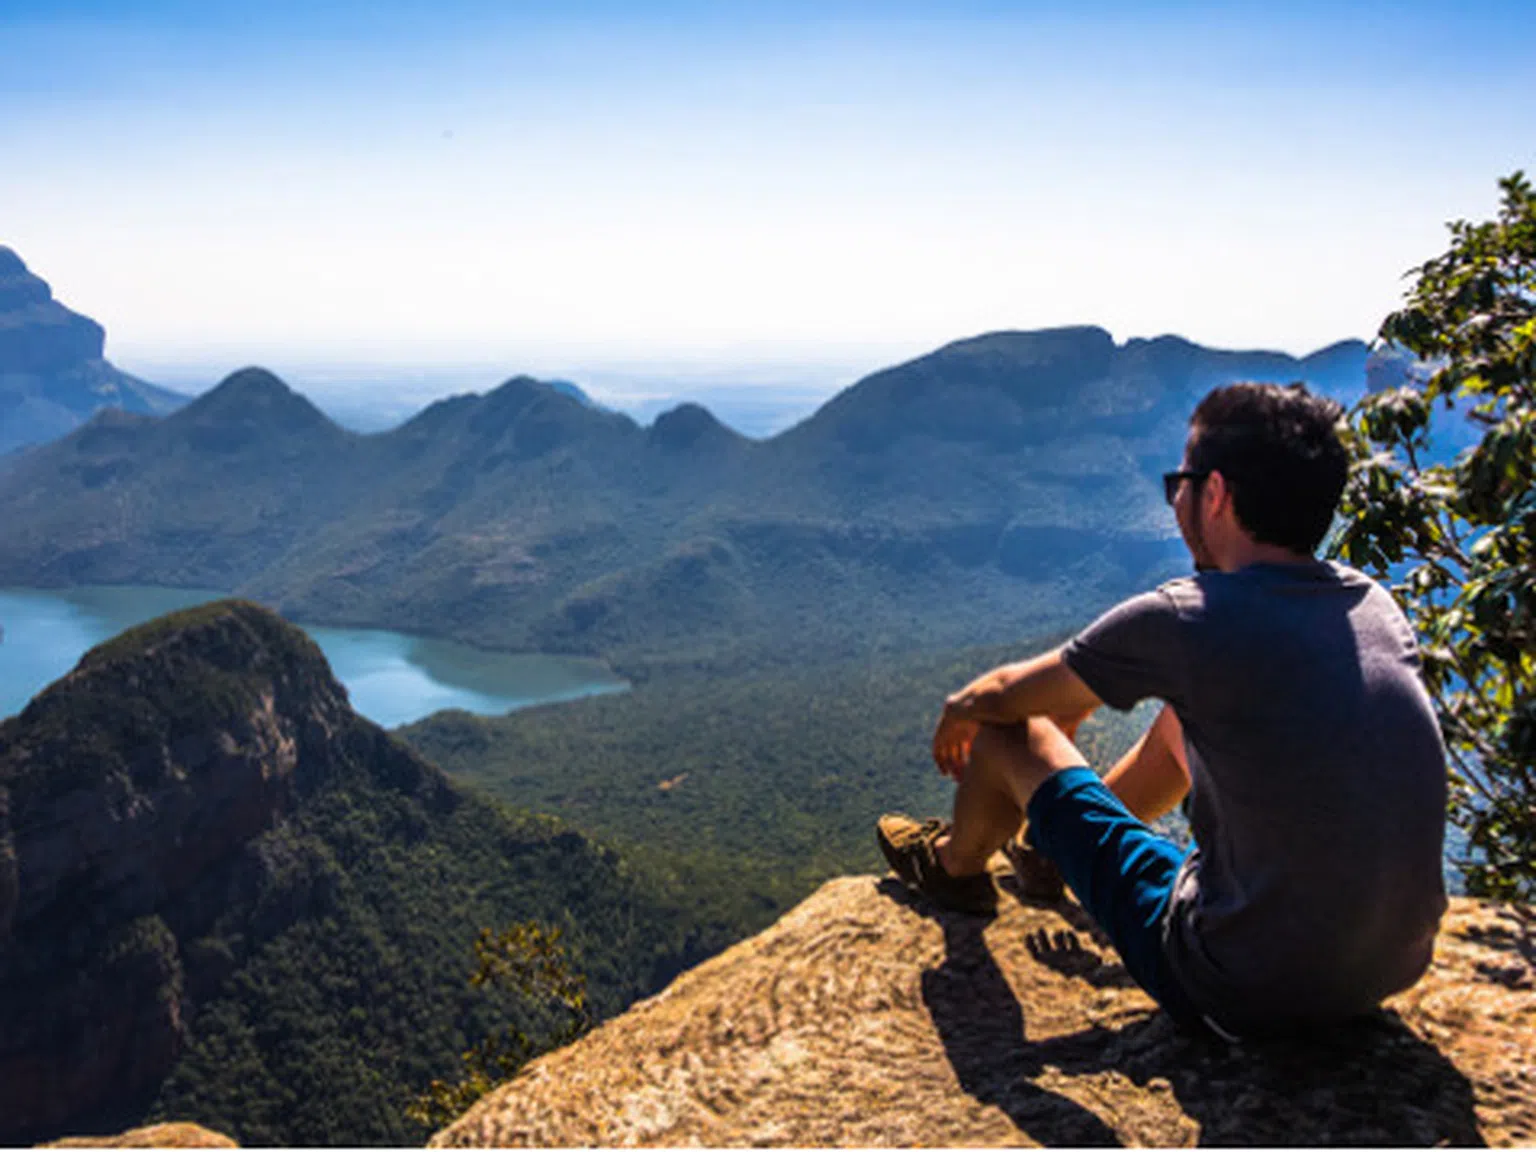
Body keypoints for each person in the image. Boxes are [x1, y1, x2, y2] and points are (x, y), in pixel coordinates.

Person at [877, 381, 1448, 1038]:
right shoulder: (1372, 603)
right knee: (1189, 716)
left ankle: (954, 870)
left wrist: (960, 710)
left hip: (1232, 989)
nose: (1175, 498)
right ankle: (1048, 856)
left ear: (1216, 495)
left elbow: (1007, 696)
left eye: (1181, 481)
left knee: (1009, 734)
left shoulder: (1190, 618)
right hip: (1388, 970)